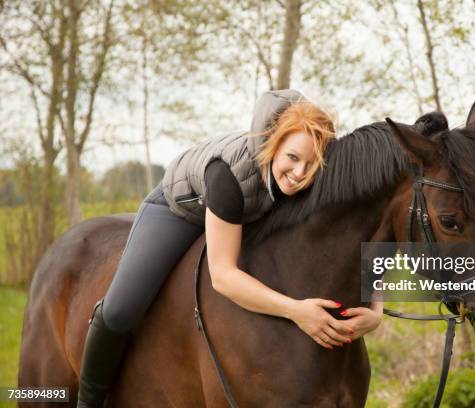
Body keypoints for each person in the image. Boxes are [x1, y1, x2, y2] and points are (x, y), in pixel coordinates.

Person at [77, 90, 384, 408]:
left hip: (243, 212)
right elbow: (222, 276)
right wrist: (296, 311)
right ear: (273, 145)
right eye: (292, 158)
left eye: (311, 163)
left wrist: (375, 312)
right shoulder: (231, 176)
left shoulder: (310, 176)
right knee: (119, 310)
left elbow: (356, 241)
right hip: (183, 207)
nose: (299, 174)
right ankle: (88, 402)